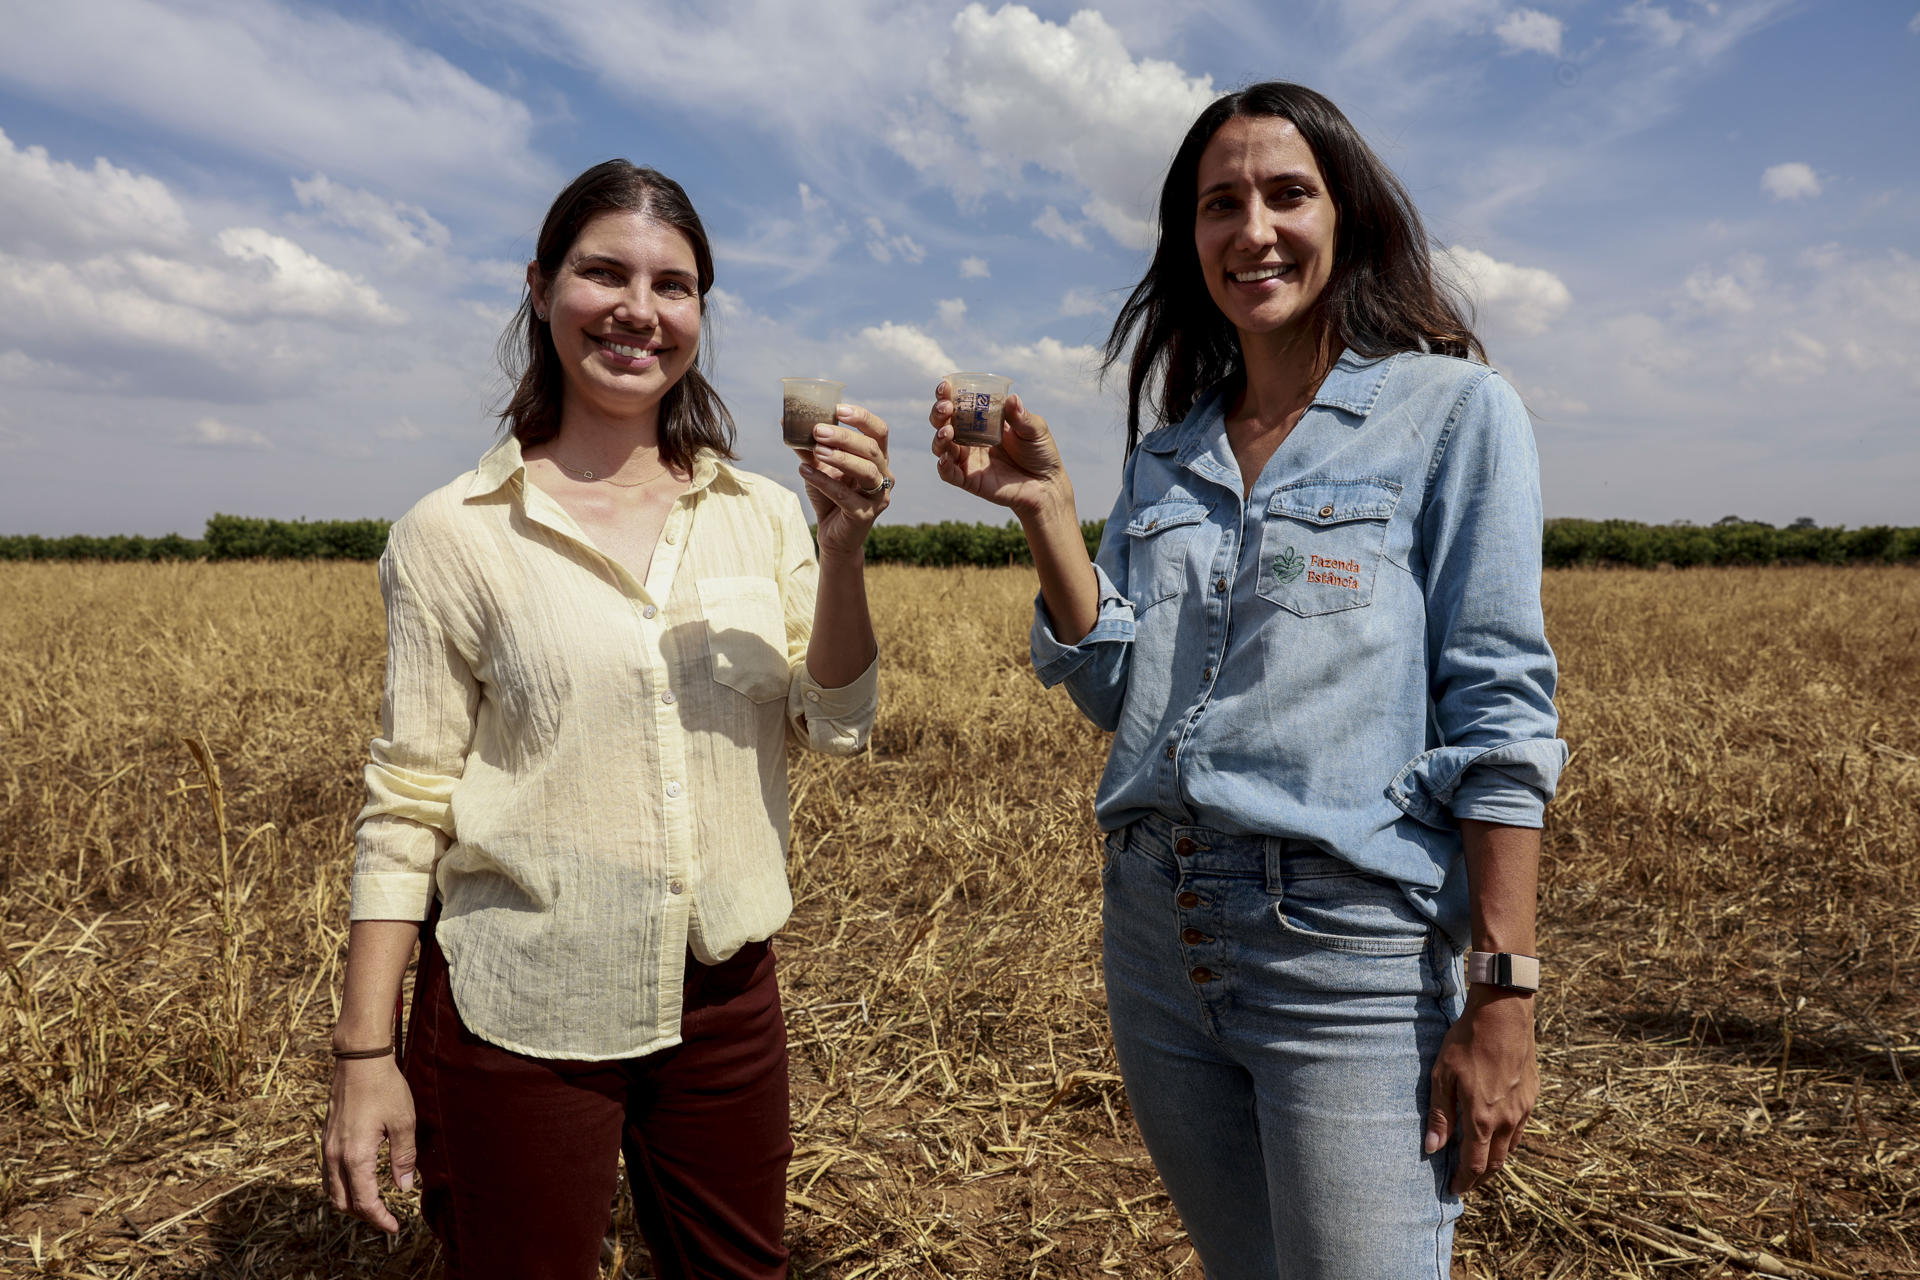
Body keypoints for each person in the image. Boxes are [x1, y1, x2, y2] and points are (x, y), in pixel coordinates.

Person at [930, 83, 1566, 1278]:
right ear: (1190, 241)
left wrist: (1503, 993)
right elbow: (1119, 694)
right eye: (1221, 204)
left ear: (1348, 216)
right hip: (1156, 935)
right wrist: (1049, 512)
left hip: (1343, 953)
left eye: (1287, 194)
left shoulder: (1450, 414)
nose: (1253, 229)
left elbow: (1500, 713)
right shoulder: (1171, 453)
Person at [321, 159, 893, 1280]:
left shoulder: (761, 512)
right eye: (603, 274)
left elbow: (836, 721)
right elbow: (408, 801)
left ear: (700, 313)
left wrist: (843, 549)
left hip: (724, 996)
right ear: (540, 288)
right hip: (521, 1001)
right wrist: (363, 1053)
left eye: (673, 286)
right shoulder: (454, 532)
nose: (639, 309)